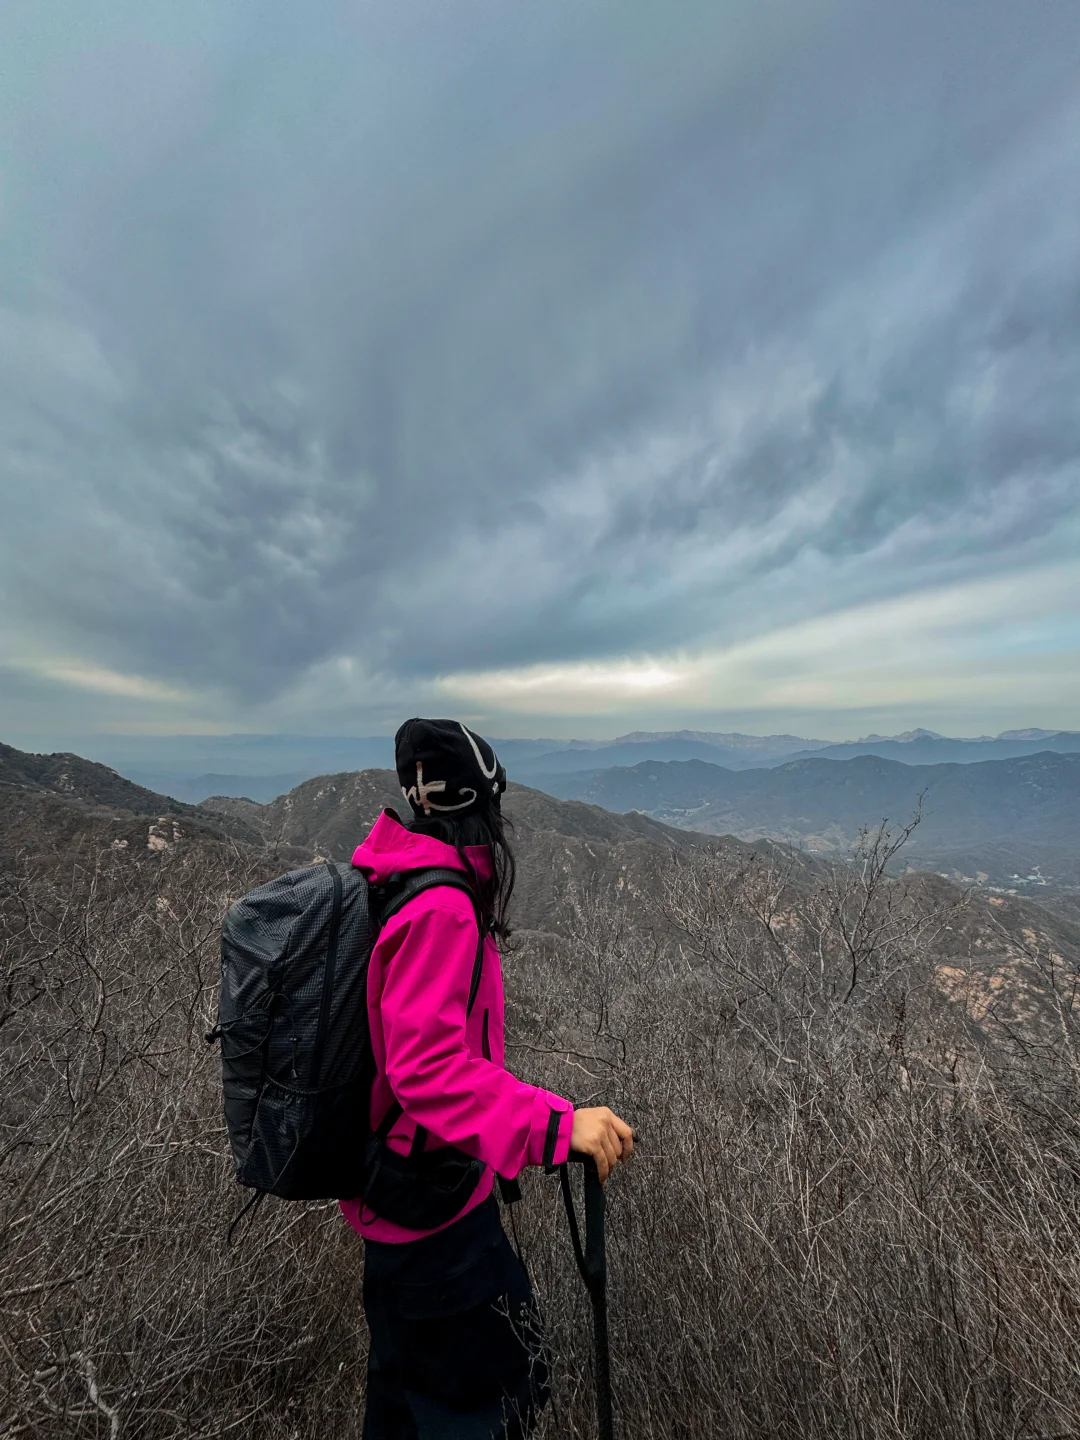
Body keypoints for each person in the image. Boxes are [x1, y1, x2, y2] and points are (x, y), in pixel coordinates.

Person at [341, 717, 634, 1439]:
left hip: (398, 1213)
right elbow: (427, 1069)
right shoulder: (440, 908)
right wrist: (555, 1127)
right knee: (486, 1411)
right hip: (437, 1230)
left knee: (406, 1412)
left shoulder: (394, 882)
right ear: (480, 806)